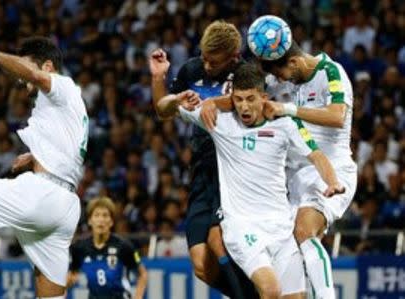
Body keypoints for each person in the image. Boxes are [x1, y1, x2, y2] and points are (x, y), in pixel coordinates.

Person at [158, 63, 345, 298]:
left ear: (264, 98)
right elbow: (162, 109)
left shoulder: (285, 123)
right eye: (238, 99)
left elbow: (316, 155)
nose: (244, 107)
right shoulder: (218, 121)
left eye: (250, 99)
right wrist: (175, 99)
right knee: (270, 289)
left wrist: (332, 182)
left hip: (281, 229)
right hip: (242, 227)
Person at [201, 38, 357, 299]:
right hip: (295, 175)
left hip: (331, 167)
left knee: (305, 231)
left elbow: (337, 116)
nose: (277, 79)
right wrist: (213, 103)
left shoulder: (330, 71)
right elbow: (248, 96)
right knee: (290, 251)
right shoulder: (279, 81)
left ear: (294, 62)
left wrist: (286, 108)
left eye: (279, 71)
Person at [0, 29, 88, 298]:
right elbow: (70, 148)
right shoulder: (69, 104)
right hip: (65, 206)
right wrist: (34, 156)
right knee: (50, 294)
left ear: (48, 66)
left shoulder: (61, 85)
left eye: (26, 65)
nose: (21, 76)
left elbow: (36, 75)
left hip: (41, 195)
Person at [149, 20, 254, 298]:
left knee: (217, 240)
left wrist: (211, 103)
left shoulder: (246, 75)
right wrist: (159, 79)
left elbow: (248, 104)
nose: (207, 66)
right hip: (201, 169)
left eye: (215, 62)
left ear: (233, 57)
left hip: (234, 171)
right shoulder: (192, 69)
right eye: (205, 58)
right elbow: (163, 110)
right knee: (200, 263)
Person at [68, 196, 147, 299]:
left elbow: (142, 274)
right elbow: (72, 274)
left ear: (111, 222)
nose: (101, 220)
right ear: (90, 221)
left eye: (105, 216)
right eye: (96, 215)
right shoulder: (80, 247)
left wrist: (138, 297)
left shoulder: (124, 246)